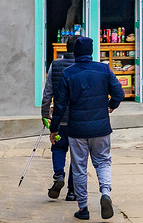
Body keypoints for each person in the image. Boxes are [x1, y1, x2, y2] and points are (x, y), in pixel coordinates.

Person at [51, 37, 124, 220]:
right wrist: (111, 105)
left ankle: (83, 208)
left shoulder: (69, 73)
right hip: (101, 128)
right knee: (103, 162)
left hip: (77, 129)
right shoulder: (103, 69)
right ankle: (105, 193)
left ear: (75, 52)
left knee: (79, 167)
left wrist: (54, 128)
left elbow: (59, 105)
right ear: (91, 52)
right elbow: (119, 93)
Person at [42, 35, 78, 201]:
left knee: (58, 147)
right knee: (77, 155)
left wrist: (45, 114)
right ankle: (72, 191)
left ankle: (58, 176)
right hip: (78, 120)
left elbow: (48, 91)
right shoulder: (82, 66)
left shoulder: (55, 64)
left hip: (59, 118)